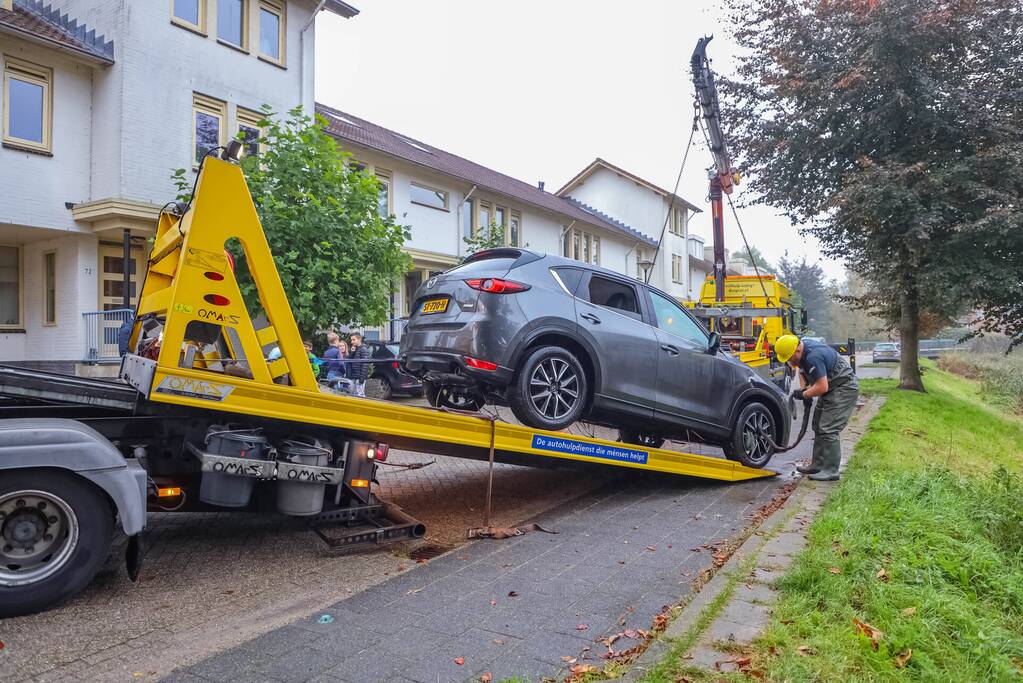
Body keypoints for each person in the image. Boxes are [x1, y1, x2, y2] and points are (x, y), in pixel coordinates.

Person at [775, 335, 859, 481]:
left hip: (843, 388)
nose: (789, 361)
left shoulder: (814, 357)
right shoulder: (802, 349)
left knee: (828, 427)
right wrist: (804, 390)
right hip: (831, 388)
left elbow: (822, 386)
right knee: (818, 425)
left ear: (796, 351)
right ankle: (818, 465)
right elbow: (802, 371)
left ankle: (830, 470)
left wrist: (805, 395)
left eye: (789, 357)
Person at [348, 332, 372, 397]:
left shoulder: (363, 349)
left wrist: (361, 379)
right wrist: (352, 352)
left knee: (360, 395)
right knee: (354, 395)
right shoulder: (356, 349)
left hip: (359, 378)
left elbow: (365, 365)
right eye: (351, 340)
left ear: (359, 339)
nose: (352, 342)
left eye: (354, 340)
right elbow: (349, 361)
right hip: (355, 377)